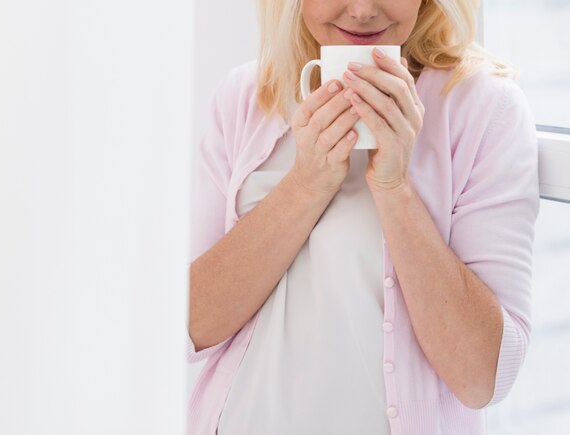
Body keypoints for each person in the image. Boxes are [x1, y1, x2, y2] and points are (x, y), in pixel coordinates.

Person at [186, 0, 540, 434]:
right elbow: (189, 326)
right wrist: (306, 184)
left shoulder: (484, 109)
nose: (362, 10)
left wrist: (395, 189)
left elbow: (482, 377)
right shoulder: (247, 96)